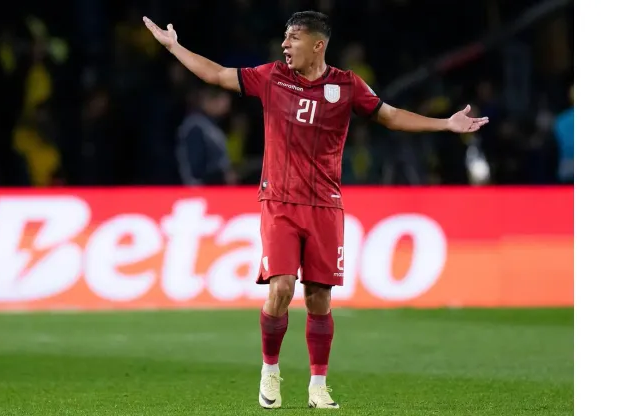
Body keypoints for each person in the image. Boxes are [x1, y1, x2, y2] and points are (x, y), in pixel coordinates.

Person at [144, 11, 488, 410]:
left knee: (318, 298)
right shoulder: (271, 76)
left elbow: (390, 116)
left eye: (293, 38)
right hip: (279, 202)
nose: (285, 45)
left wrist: (445, 124)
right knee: (281, 288)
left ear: (318, 44)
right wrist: (175, 47)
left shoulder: (346, 85)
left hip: (325, 205)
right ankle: (270, 370)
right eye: (285, 38)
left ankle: (318, 385)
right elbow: (218, 75)